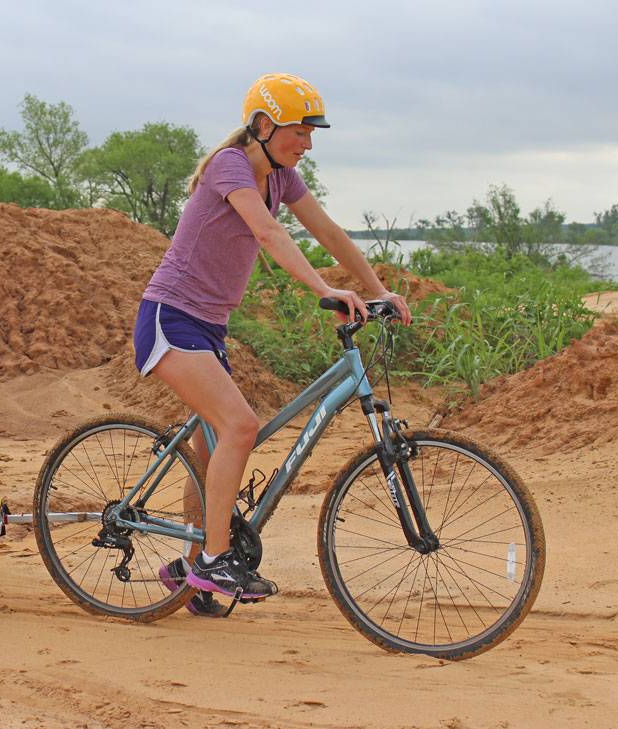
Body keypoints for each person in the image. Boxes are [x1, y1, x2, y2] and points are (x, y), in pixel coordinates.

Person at [136, 73, 413, 615]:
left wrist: (378, 290)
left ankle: (193, 572)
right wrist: (325, 289)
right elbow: (270, 234)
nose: (307, 144)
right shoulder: (229, 165)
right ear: (263, 126)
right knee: (239, 426)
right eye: (299, 132)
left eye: (311, 135)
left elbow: (329, 233)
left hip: (210, 326)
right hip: (171, 317)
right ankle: (215, 559)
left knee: (211, 448)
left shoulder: (282, 178)